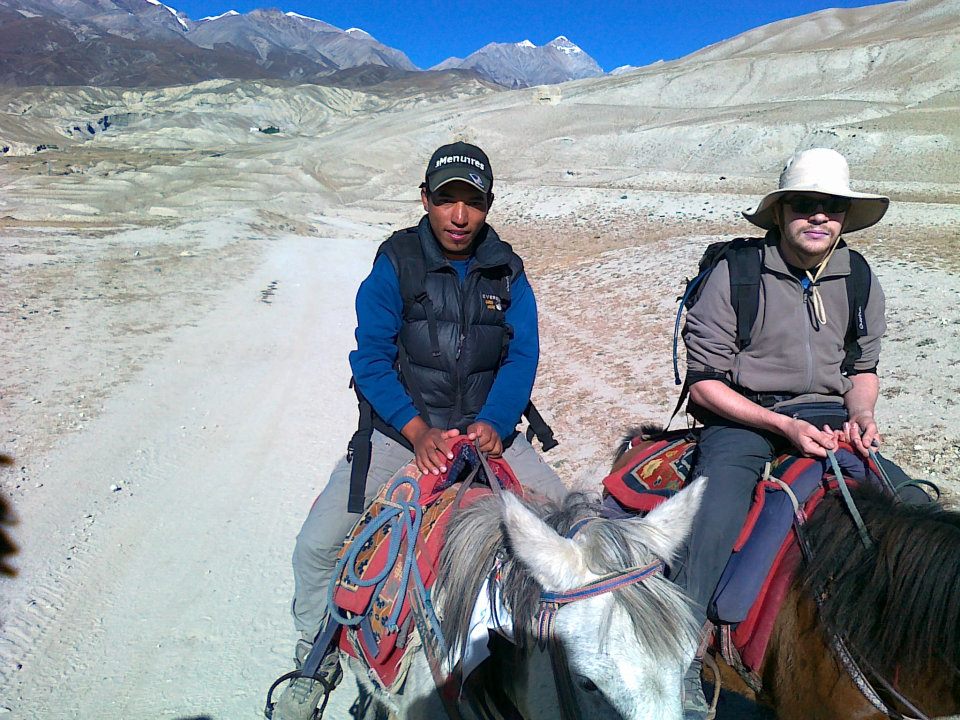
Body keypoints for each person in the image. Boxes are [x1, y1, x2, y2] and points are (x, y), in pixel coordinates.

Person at [273, 141, 567, 720]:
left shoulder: (506, 270)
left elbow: (521, 356)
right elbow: (372, 359)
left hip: (490, 433)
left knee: (567, 530)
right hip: (401, 433)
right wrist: (414, 429)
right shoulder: (397, 262)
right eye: (447, 199)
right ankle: (315, 659)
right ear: (426, 199)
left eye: (473, 202)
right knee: (319, 544)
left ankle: (569, 662)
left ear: (488, 205)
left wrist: (496, 421)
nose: (460, 216)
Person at [676, 147, 899, 719]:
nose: (819, 216)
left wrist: (865, 415)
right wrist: (779, 425)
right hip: (745, 417)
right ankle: (677, 640)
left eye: (832, 206)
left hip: (829, 415)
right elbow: (704, 384)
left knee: (905, 504)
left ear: (845, 215)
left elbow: (861, 370)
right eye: (805, 205)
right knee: (715, 511)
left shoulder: (859, 278)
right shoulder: (737, 273)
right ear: (780, 212)